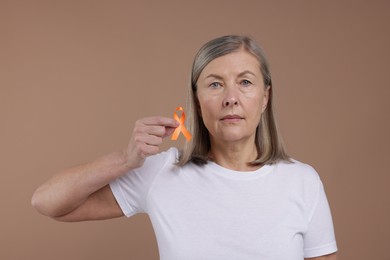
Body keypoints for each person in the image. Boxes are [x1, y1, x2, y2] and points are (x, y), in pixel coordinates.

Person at [32, 35, 338, 260]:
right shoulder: (163, 172)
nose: (231, 97)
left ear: (265, 97)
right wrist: (126, 160)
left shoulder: (302, 181)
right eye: (215, 84)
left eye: (245, 82)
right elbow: (47, 202)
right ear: (196, 100)